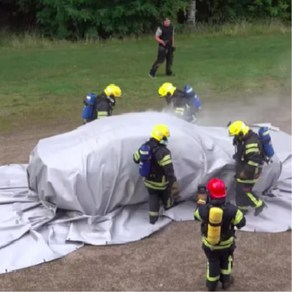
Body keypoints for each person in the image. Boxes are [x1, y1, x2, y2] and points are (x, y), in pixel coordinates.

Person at [194, 178, 246, 291]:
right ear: (224, 194)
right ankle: (226, 282)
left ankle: (211, 285)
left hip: (210, 245)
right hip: (226, 245)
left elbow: (196, 216)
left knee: (212, 262)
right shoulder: (232, 210)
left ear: (210, 194)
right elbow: (242, 223)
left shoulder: (204, 210)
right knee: (226, 261)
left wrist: (201, 202)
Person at [133, 124, 180, 224]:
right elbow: (169, 170)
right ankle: (169, 211)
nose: (167, 139)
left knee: (153, 197)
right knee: (166, 195)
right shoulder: (163, 152)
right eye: (165, 137)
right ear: (161, 137)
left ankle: (153, 219)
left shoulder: (144, 147)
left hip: (148, 182)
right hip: (162, 183)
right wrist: (173, 182)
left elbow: (135, 159)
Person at [228, 120, 266, 216]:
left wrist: (245, 172)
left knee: (244, 190)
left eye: (236, 135)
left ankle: (259, 204)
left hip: (251, 170)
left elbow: (254, 160)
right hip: (245, 168)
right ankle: (242, 209)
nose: (235, 138)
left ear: (241, 132)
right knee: (239, 190)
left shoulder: (251, 143)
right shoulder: (245, 139)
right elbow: (242, 153)